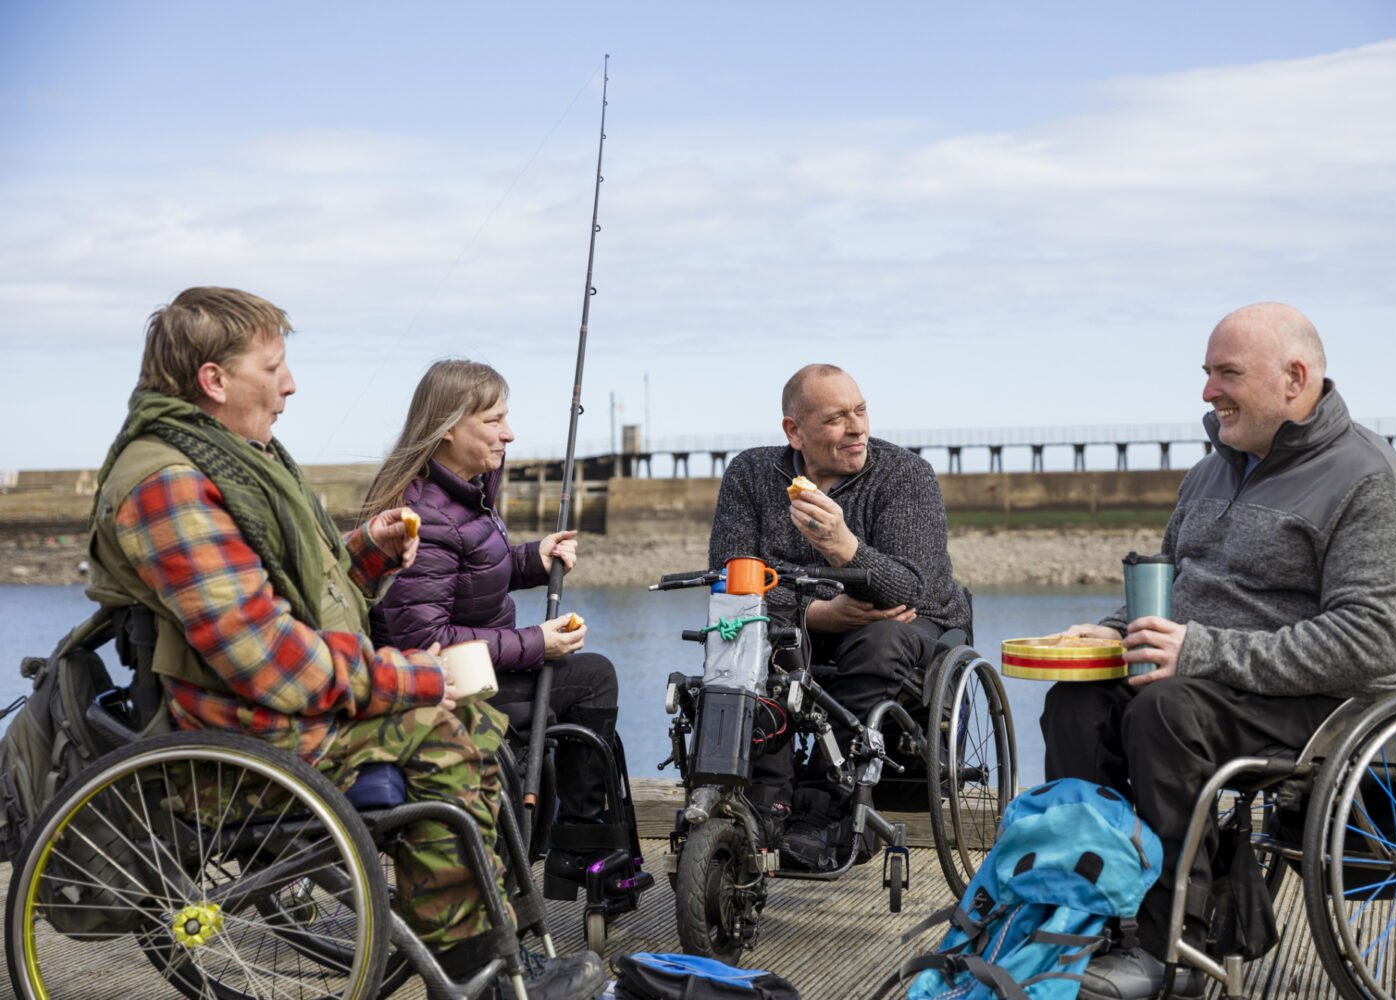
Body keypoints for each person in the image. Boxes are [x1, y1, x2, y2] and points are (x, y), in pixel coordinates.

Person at [86, 288, 603, 1000]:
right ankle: (480, 980)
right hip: (243, 739)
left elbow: (292, 596)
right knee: (445, 741)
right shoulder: (169, 483)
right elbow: (267, 656)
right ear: (214, 380)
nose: (290, 384)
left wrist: (367, 552)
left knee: (479, 726)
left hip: (273, 712)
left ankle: (498, 953)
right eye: (273, 368)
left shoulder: (228, 457)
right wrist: (415, 679)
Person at [1041, 303, 1396, 1000]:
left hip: (1325, 704)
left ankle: (1175, 952)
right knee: (1076, 699)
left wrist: (1196, 652)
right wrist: (1113, 628)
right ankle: (1084, 917)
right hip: (1202, 678)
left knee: (1164, 711)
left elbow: (1369, 642)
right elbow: (1175, 589)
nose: (1206, 392)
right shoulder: (1212, 470)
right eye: (1206, 374)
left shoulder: (1374, 483)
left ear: (1295, 378)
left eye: (1226, 374)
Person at [364, 358, 646, 905]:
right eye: (493, 421)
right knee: (593, 679)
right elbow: (426, 642)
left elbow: (475, 575)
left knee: (588, 681)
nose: (509, 433)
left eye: (506, 418)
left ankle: (579, 846)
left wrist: (533, 560)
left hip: (478, 667)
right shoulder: (424, 513)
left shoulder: (464, 495)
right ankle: (578, 851)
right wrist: (537, 643)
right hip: (443, 686)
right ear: (447, 427)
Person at [708, 363, 971, 869]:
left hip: (916, 622)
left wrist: (845, 546)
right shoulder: (751, 473)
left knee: (880, 640)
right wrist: (818, 612)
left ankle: (826, 807)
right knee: (749, 635)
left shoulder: (905, 475)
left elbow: (908, 587)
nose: (857, 429)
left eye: (861, 411)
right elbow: (732, 575)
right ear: (794, 431)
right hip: (807, 624)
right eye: (836, 419)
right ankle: (760, 805)